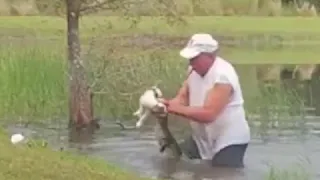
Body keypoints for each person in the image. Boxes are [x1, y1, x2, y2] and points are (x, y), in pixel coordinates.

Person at [160, 33, 250, 168]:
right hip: (202, 138)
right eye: (190, 58)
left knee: (223, 174)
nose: (191, 62)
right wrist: (162, 106)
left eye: (195, 58)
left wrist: (172, 108)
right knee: (173, 160)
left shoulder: (223, 75)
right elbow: (182, 98)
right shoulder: (193, 70)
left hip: (229, 139)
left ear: (210, 55)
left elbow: (209, 114)